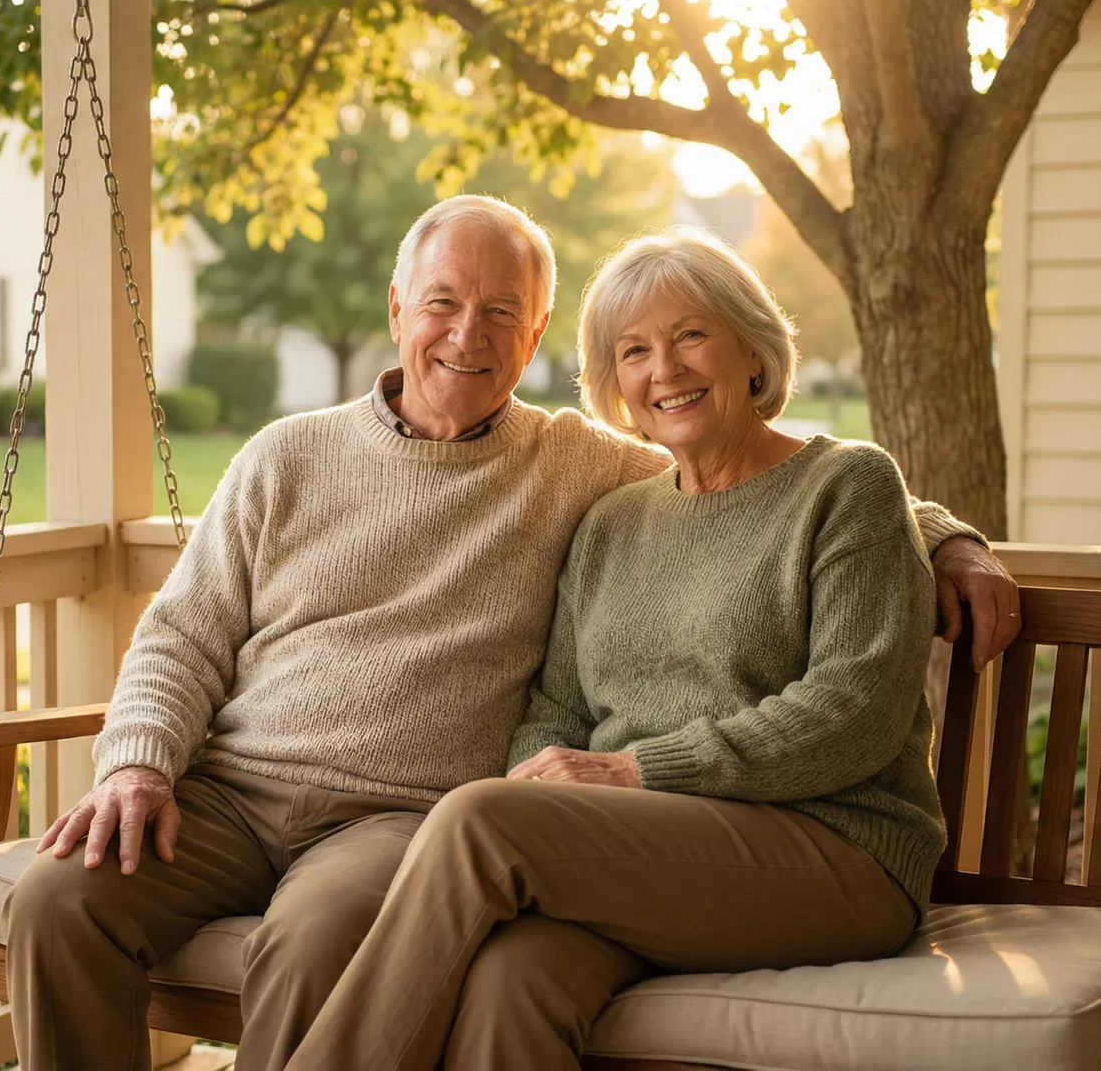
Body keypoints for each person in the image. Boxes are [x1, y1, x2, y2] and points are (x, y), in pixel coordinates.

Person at [5, 198, 1020, 1071]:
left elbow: (800, 484)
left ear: (531, 341)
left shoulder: (579, 467)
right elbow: (182, 634)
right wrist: (136, 764)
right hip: (232, 793)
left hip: (406, 822)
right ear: (398, 308)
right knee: (61, 900)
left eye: (501, 313)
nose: (467, 334)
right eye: (443, 302)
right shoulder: (296, 459)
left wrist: (945, 536)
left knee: (349, 920)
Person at [290, 226, 962, 1070]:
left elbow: (853, 715)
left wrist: (635, 771)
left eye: (690, 336)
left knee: (480, 817)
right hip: (651, 851)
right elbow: (555, 710)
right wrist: (566, 783)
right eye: (633, 351)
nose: (664, 370)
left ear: (753, 351)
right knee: (512, 980)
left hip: (833, 852)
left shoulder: (848, 487)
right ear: (614, 382)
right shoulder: (612, 520)